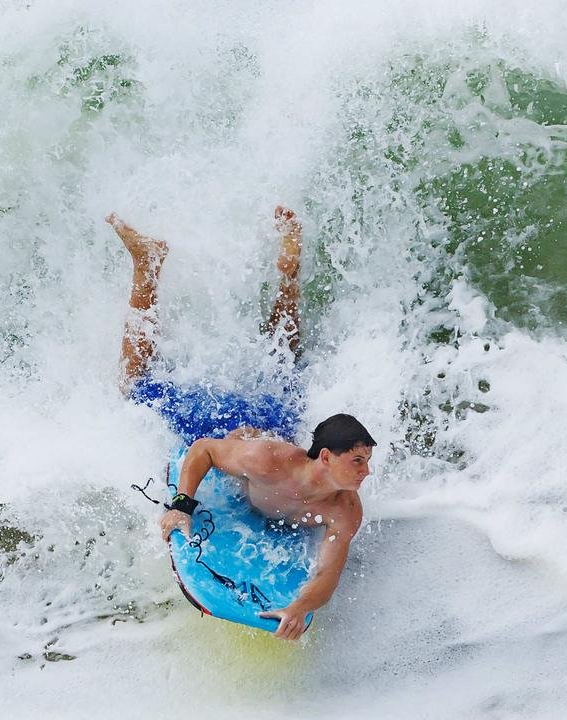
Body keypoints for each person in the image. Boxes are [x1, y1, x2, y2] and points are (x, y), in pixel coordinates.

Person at [108, 206, 376, 642]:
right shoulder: (269, 461)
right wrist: (182, 505)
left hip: (272, 421)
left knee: (284, 352)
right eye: (359, 461)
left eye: (366, 460)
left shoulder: (345, 510)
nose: (366, 471)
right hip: (233, 431)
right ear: (326, 457)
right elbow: (204, 451)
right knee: (132, 384)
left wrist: (301, 605)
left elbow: (329, 572)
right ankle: (148, 263)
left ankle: (289, 268)